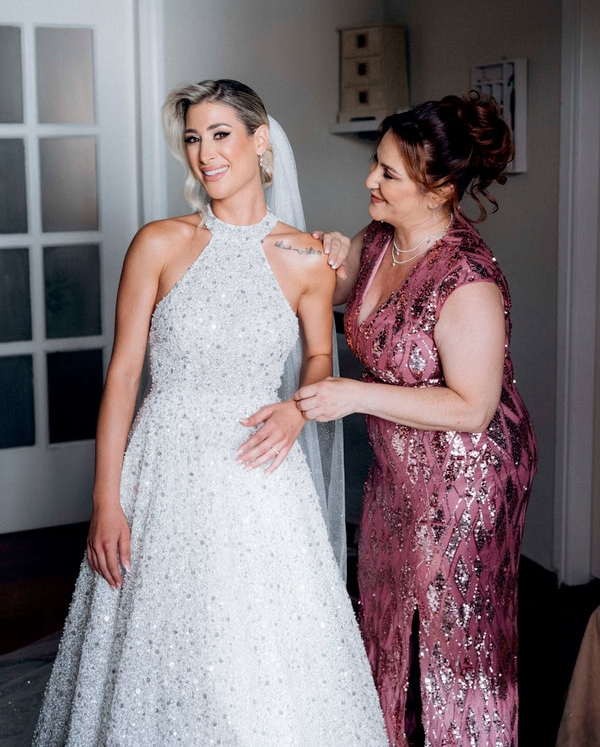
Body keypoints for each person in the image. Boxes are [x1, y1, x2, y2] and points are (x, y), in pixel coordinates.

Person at [33, 79, 387, 746]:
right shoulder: (159, 244)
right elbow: (125, 375)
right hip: (161, 468)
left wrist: (295, 413)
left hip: (258, 468)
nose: (204, 153)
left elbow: (319, 358)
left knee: (258, 646)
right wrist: (106, 498)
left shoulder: (307, 256)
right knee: (156, 641)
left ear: (260, 141)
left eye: (220, 135)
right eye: (194, 139)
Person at [295, 93, 537, 746]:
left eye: (388, 174)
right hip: (396, 471)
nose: (369, 180)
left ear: (439, 189)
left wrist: (354, 394)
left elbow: (473, 406)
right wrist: (330, 252)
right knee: (385, 617)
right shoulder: (379, 239)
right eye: (376, 165)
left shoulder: (468, 278)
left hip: (467, 479)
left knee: (453, 643)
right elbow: (341, 292)